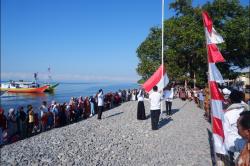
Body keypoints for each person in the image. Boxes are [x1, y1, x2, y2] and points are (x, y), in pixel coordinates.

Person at [223, 90, 249, 165]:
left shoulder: (227, 114)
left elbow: (225, 132)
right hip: (246, 143)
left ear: (230, 100)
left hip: (232, 146)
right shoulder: (246, 109)